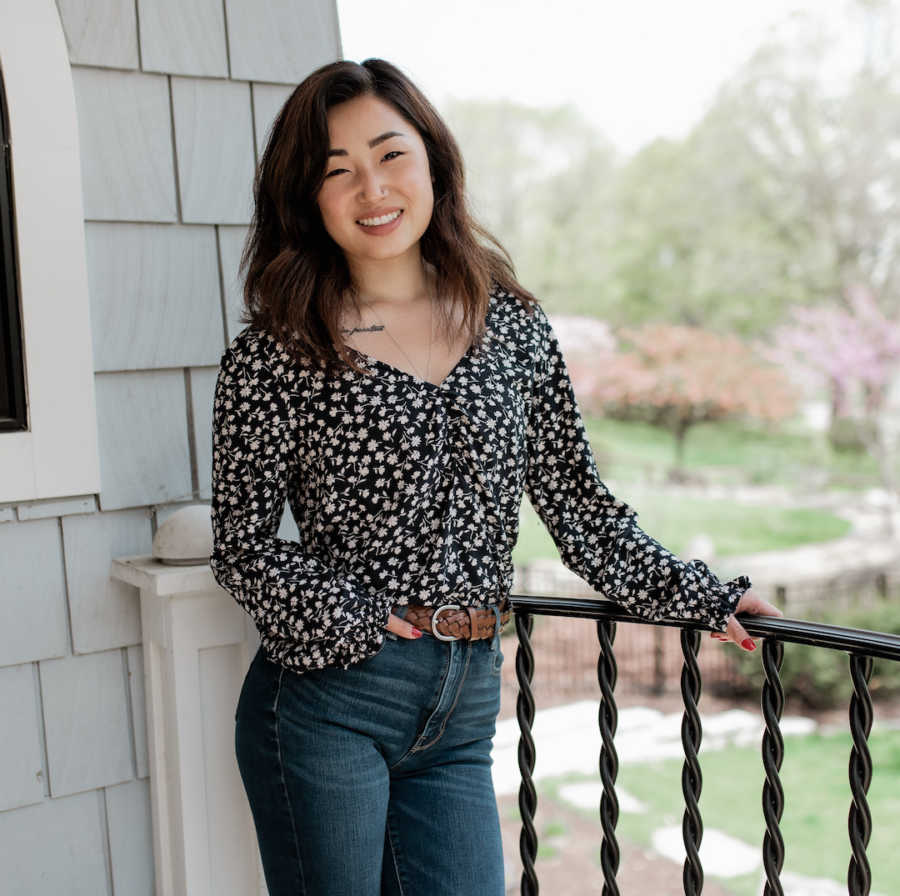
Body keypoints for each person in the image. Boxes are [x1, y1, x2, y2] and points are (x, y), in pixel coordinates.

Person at [210, 58, 782, 896]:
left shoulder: (509, 324)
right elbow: (244, 546)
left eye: (390, 154)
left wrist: (705, 596)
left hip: (465, 702)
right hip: (333, 700)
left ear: (434, 160)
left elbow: (579, 507)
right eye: (338, 171)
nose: (372, 188)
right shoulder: (275, 352)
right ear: (308, 196)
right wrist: (356, 618)